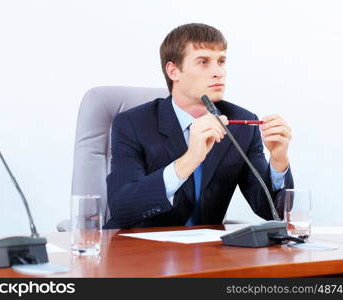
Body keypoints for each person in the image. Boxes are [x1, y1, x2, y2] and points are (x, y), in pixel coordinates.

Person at [104, 23, 293, 229]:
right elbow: (122, 208)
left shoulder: (242, 124)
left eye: (221, 61)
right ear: (173, 71)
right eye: (203, 62)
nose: (218, 72)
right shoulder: (132, 124)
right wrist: (190, 160)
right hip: (139, 251)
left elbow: (272, 212)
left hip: (207, 254)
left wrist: (278, 160)